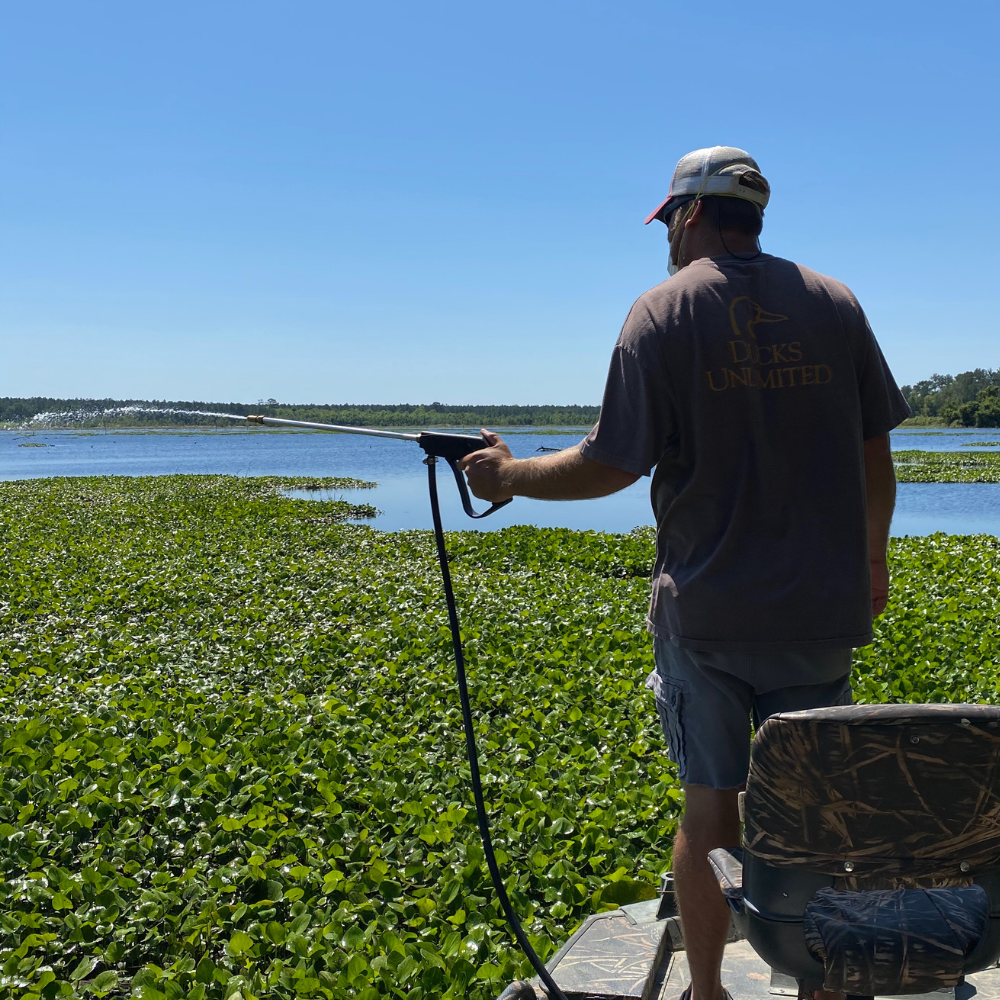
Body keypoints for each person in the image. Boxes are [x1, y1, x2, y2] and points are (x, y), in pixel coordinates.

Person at [461, 146, 910, 1000]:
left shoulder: (660, 313)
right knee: (811, 817)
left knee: (710, 805)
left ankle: (707, 993)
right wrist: (873, 557)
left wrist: (508, 476)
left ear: (692, 213)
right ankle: (816, 988)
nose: (666, 238)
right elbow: (874, 451)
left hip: (706, 616)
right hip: (821, 614)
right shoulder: (836, 305)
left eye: (668, 221)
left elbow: (609, 463)